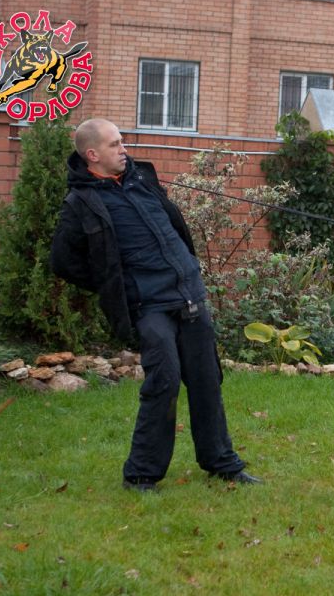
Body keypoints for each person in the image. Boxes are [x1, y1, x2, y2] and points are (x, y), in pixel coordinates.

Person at [50, 118, 261, 491]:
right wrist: (115, 285)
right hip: (149, 305)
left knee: (207, 381)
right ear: (92, 154)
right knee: (163, 381)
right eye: (115, 144)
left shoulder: (141, 180)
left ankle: (222, 462)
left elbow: (173, 228)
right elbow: (63, 262)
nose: (124, 149)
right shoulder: (82, 202)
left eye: (122, 142)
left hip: (189, 294)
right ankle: (141, 474)